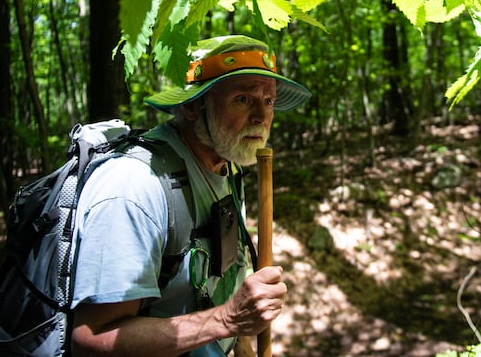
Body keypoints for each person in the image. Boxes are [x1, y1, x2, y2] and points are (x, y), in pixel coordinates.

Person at [69, 35, 311, 357]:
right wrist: (227, 320)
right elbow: (92, 340)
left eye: (268, 101)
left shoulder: (228, 168)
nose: (261, 116)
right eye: (243, 99)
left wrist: (240, 344)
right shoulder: (136, 187)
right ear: (194, 106)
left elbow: (225, 276)